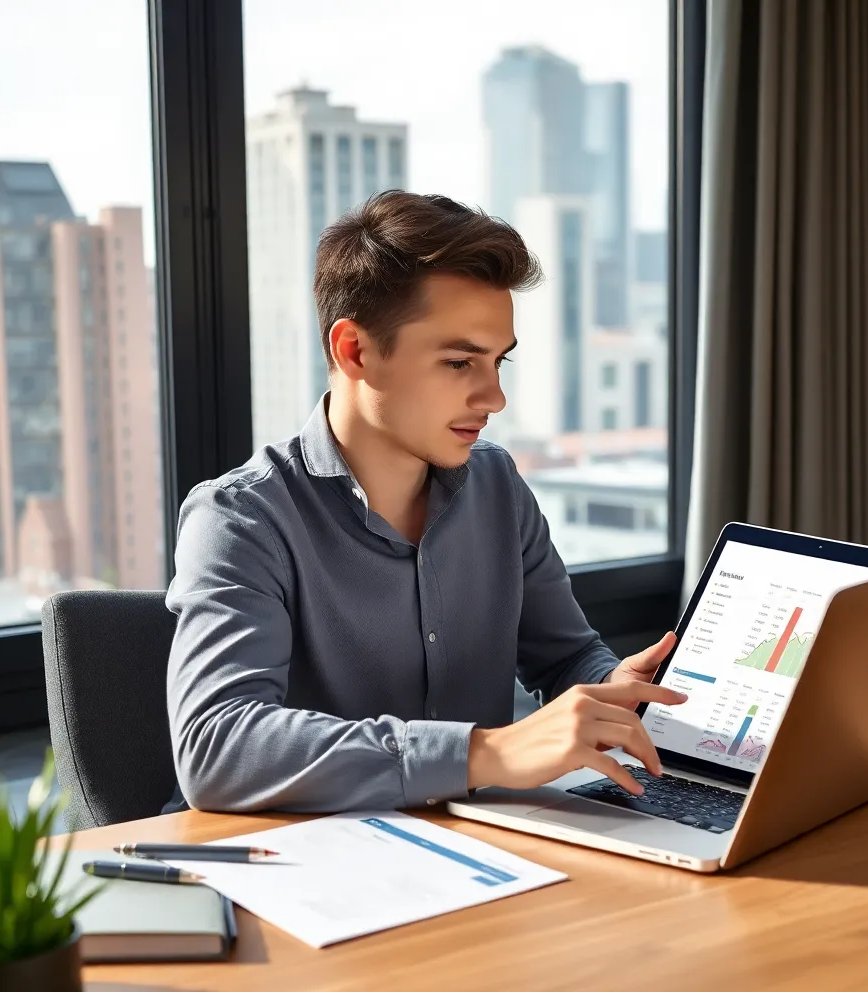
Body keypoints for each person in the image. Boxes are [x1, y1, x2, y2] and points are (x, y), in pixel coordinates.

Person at [163, 191, 686, 815]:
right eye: (460, 361)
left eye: (498, 363)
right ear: (354, 350)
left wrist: (612, 690)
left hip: (485, 856)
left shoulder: (496, 485)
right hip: (305, 873)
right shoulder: (240, 518)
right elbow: (218, 748)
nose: (494, 398)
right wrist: (484, 754)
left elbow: (565, 655)